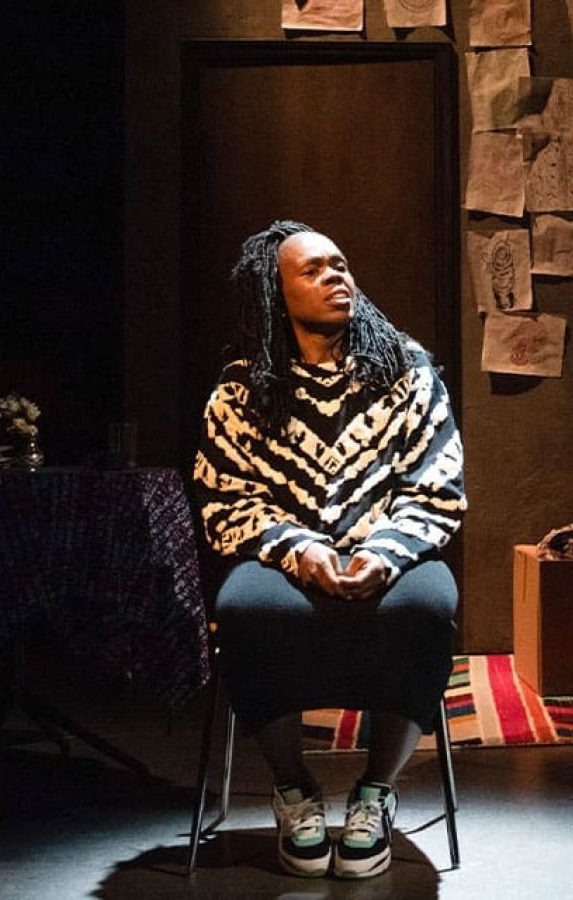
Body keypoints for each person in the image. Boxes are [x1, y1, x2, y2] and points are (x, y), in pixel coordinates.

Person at [193, 219, 465, 879]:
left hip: (386, 549)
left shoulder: (407, 370)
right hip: (287, 557)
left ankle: (376, 791)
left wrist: (389, 551)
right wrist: (296, 549)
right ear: (274, 294)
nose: (335, 277)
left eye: (339, 264)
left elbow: (438, 485)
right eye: (313, 270)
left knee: (425, 608)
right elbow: (224, 498)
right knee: (251, 610)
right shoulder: (240, 390)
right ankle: (293, 788)